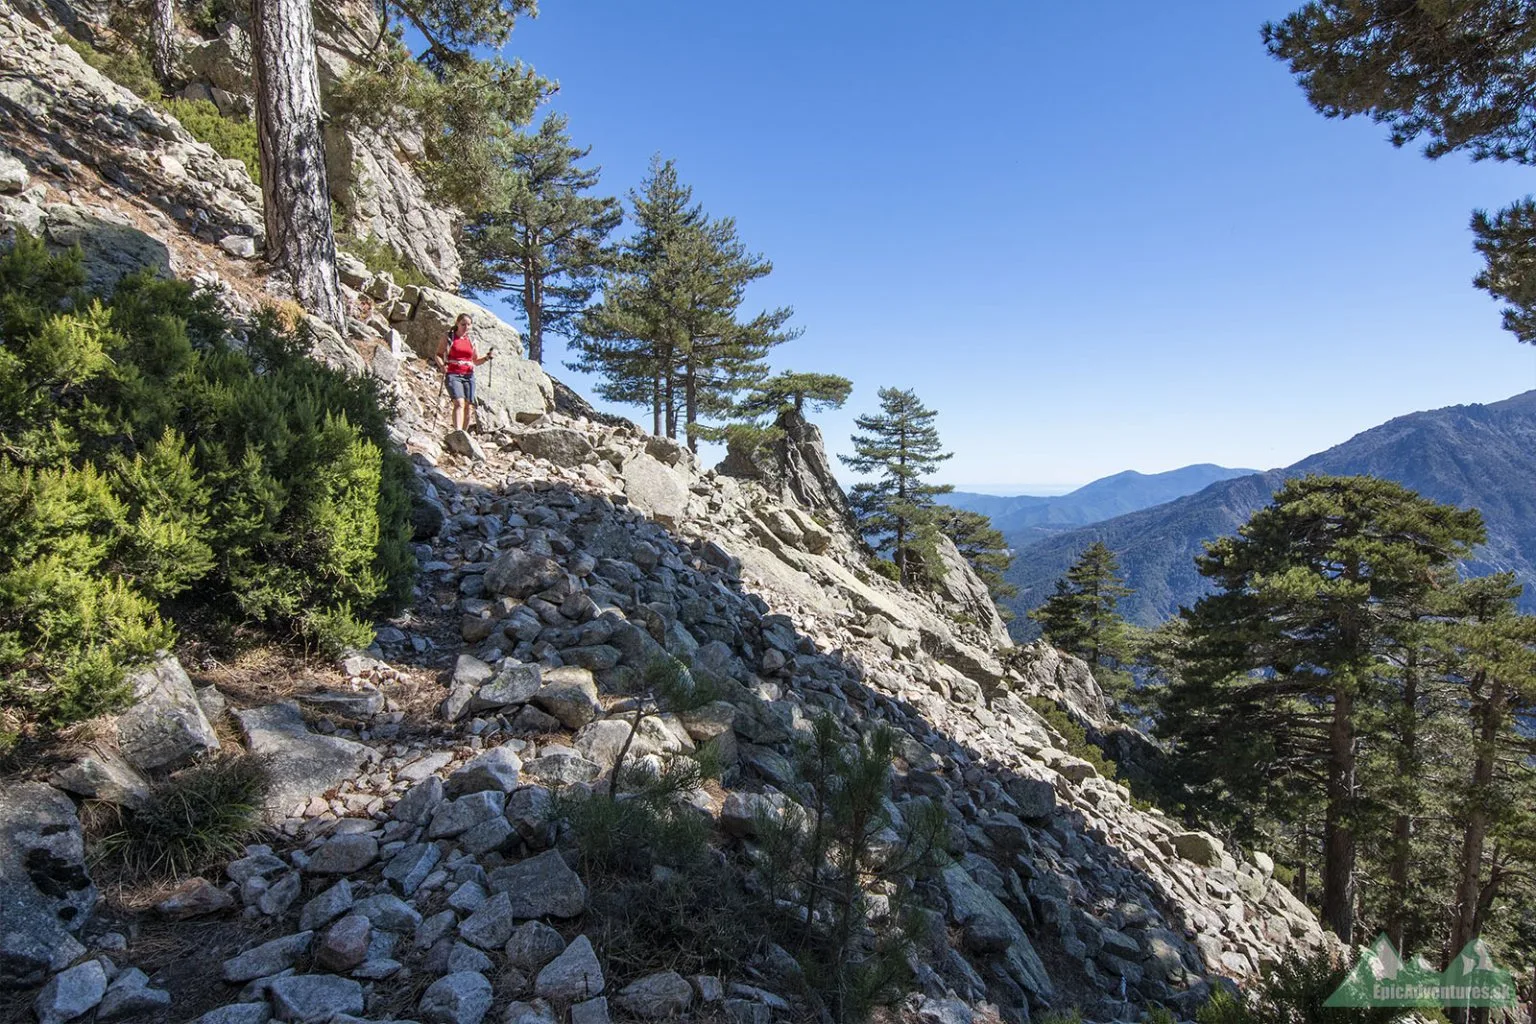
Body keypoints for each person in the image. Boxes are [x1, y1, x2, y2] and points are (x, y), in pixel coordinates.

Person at [433, 313, 495, 432]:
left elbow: (475, 361)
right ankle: (458, 431)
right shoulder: (448, 337)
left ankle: (464, 435)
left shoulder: (472, 340)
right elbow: (438, 355)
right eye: (463, 324)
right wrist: (442, 366)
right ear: (457, 323)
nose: (466, 327)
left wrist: (487, 358)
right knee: (459, 402)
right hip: (453, 373)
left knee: (468, 406)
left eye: (468, 325)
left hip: (469, 375)